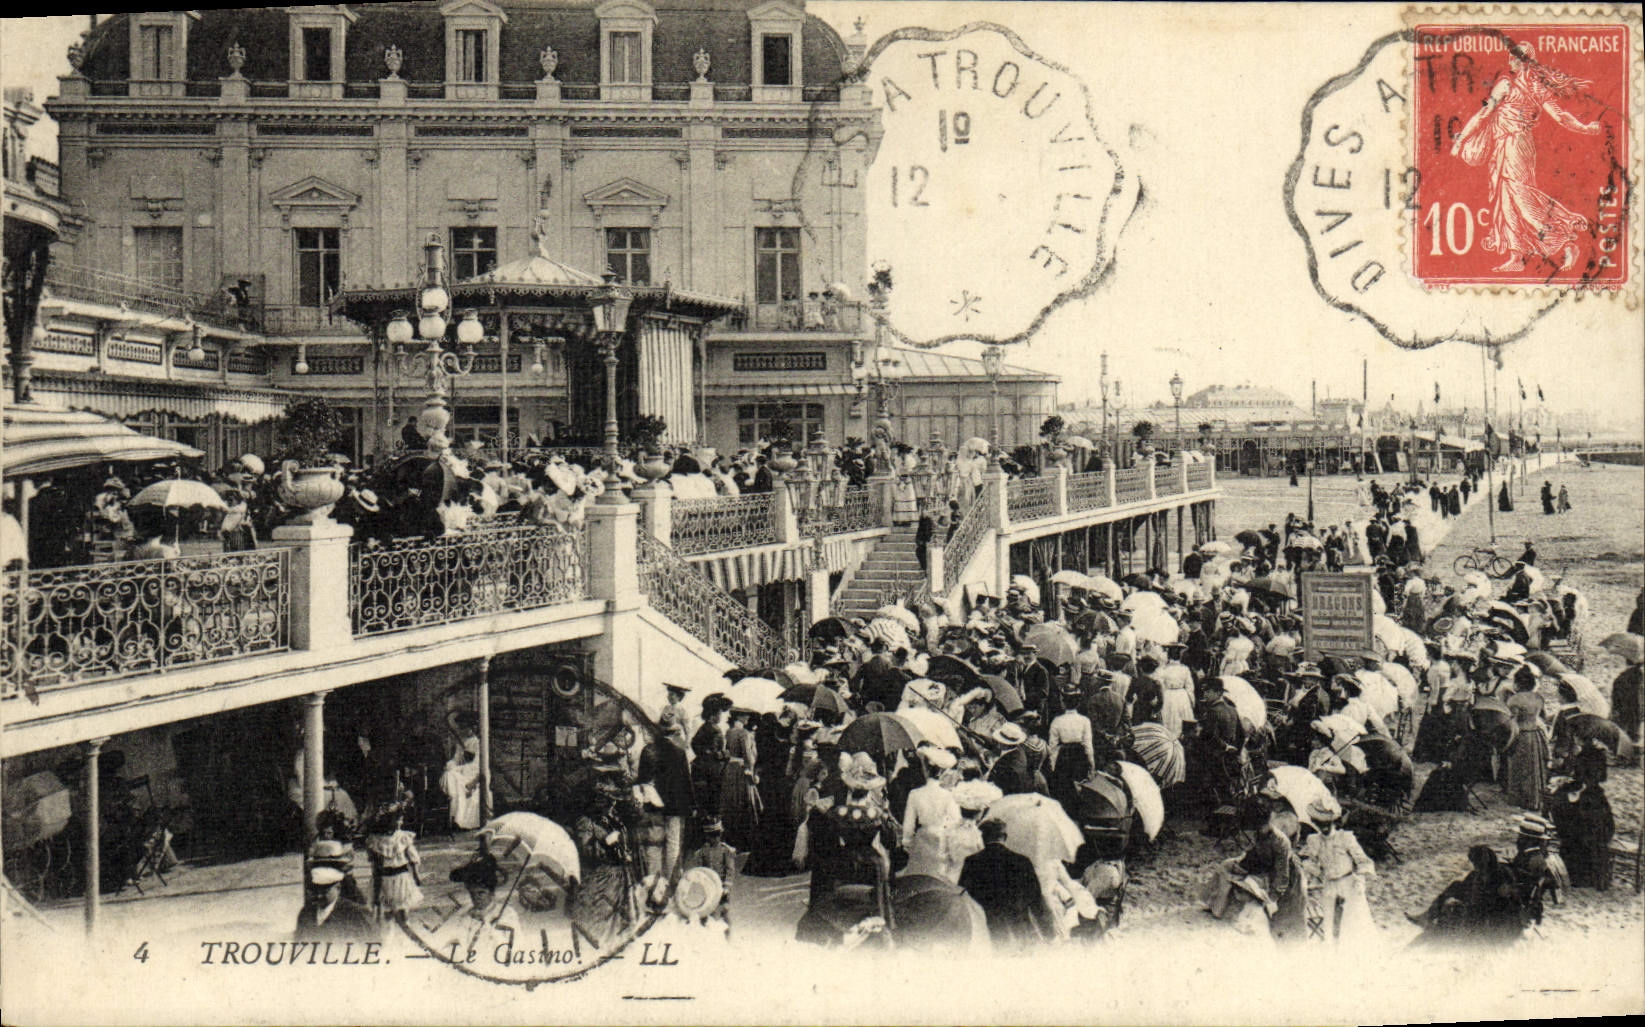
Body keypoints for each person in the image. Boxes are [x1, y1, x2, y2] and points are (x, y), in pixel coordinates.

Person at [1449, 42, 1600, 272]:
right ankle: (1516, 257)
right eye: (1510, 57)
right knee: (1506, 199)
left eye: (1514, 58)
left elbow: (1485, 113)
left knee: (1521, 197)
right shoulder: (1524, 86)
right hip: (1508, 145)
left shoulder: (1517, 85)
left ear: (1524, 60)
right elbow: (1561, 117)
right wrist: (1586, 128)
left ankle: (1565, 241)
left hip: (1514, 144)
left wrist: (1461, 140)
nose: (1510, 61)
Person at [958, 818, 1053, 948]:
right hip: (1019, 927)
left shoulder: (972, 861)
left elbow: (963, 895)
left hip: (986, 927)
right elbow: (1036, 898)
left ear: (983, 837)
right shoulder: (1022, 861)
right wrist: (1048, 931)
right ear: (1005, 836)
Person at [1301, 800, 1375, 945]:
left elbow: (1364, 862)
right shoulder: (1314, 840)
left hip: (1349, 885)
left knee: (1353, 927)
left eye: (1327, 824)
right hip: (1329, 886)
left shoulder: (1345, 838)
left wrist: (1359, 882)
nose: (1324, 828)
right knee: (1330, 926)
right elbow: (1309, 861)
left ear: (1334, 822)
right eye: (1320, 824)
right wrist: (1311, 870)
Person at [1548, 747, 1614, 891]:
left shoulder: (1588, 794)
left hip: (1583, 841)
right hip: (1591, 840)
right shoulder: (1596, 795)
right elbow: (1608, 827)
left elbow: (1562, 819)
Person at [1501, 665, 1549, 812]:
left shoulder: (1514, 699)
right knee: (1534, 768)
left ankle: (1519, 797)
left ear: (1518, 683)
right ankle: (1533, 798)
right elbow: (1543, 717)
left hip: (1520, 735)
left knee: (1518, 767)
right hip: (1535, 734)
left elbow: (1512, 722)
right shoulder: (1538, 698)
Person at [363, 806, 423, 923]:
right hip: (384, 880)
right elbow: (375, 866)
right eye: (397, 820)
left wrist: (416, 875)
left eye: (401, 819)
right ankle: (390, 935)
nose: (400, 822)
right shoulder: (375, 841)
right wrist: (376, 890)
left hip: (401, 878)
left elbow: (412, 858)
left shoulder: (402, 837)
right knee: (387, 912)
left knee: (402, 911)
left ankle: (403, 933)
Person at [295, 857, 377, 941]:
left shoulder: (356, 914)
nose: (319, 896)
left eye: (324, 891)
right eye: (314, 891)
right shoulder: (305, 914)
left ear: (338, 888)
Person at [440, 734, 483, 831]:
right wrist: (450, 764)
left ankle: (458, 820)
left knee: (455, 782)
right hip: (462, 773)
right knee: (449, 775)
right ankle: (455, 817)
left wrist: (473, 782)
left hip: (473, 776)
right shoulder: (460, 742)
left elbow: (480, 767)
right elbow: (456, 760)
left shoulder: (480, 743)